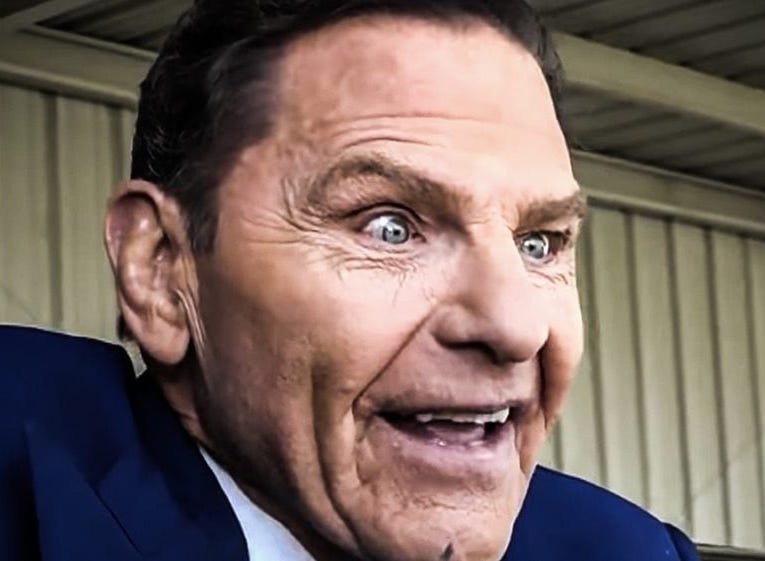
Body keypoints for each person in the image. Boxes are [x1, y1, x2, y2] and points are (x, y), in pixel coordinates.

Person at [0, 1, 700, 560]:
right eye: (389, 227)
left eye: (538, 243)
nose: (515, 327)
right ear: (160, 270)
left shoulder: (623, 549)